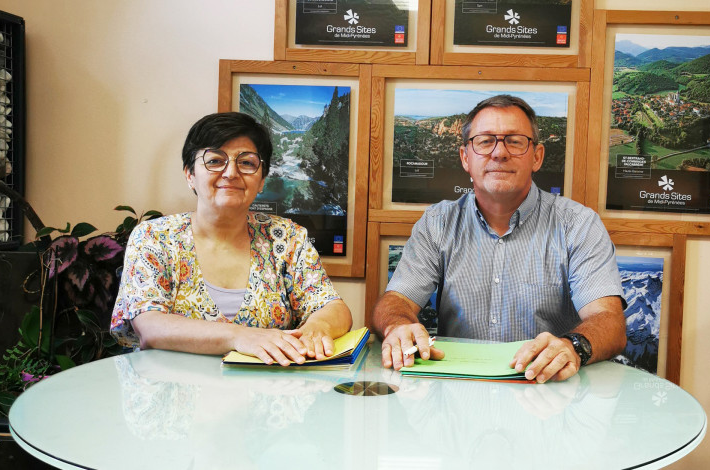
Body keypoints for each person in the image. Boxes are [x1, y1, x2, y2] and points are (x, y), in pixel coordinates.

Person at [372, 95, 626, 383]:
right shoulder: (437, 223)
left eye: (515, 141)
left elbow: (609, 321)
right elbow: (395, 301)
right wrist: (399, 326)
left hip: (546, 392)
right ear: (466, 158)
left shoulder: (577, 224)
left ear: (537, 156)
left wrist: (572, 346)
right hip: (459, 394)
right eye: (484, 141)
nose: (499, 153)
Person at [111, 112, 352, 365]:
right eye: (215, 160)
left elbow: (335, 308)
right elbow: (149, 326)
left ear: (262, 181)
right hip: (174, 395)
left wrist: (318, 326)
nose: (231, 173)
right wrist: (241, 336)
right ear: (189, 174)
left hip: (267, 394)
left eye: (247, 163)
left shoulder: (288, 238)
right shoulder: (154, 237)